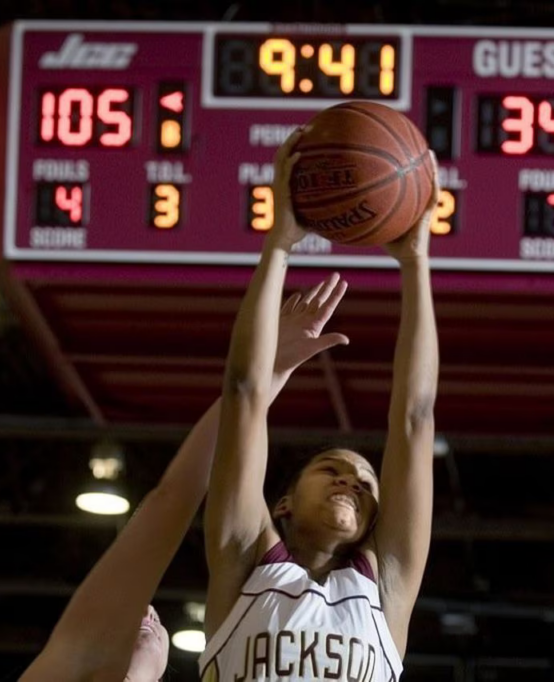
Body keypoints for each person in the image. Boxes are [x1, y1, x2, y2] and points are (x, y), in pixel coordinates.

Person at [18, 272, 352, 682]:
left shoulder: (85, 654)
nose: (144, 611)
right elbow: (173, 499)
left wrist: (267, 375)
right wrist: (264, 377)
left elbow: (176, 495)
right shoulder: (70, 661)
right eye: (149, 615)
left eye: (150, 613)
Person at [201, 130, 440, 681]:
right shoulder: (244, 561)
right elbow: (243, 393)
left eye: (364, 483)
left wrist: (416, 261)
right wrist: (279, 243)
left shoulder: (385, 588)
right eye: (332, 469)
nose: (353, 481)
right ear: (281, 504)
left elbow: (415, 418)